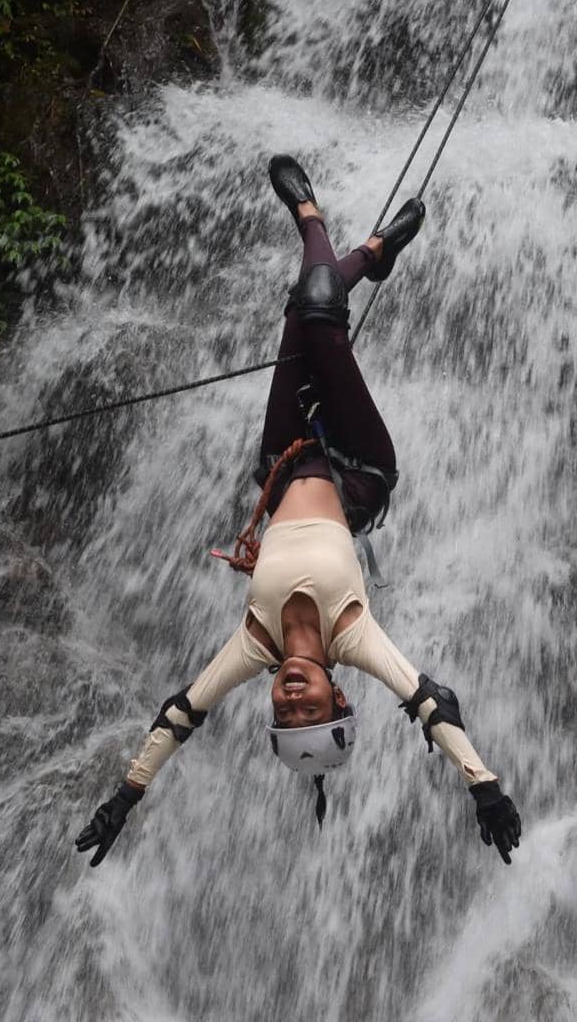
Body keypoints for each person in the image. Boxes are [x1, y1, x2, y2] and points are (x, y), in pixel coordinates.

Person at [75, 156, 521, 867]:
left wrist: (126, 795)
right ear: (338, 698)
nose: (291, 700)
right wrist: (484, 786)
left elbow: (182, 714)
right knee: (317, 307)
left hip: (282, 463)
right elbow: (433, 706)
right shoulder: (356, 639)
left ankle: (369, 255)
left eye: (284, 714)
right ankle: (315, 221)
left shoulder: (254, 645)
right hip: (359, 471)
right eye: (309, 710)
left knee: (303, 309)